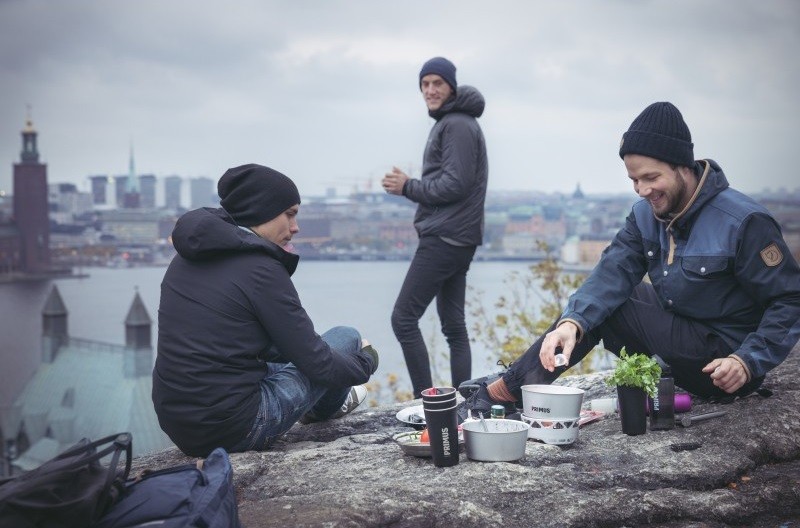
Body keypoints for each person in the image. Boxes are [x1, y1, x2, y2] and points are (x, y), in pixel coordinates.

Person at [458, 102, 800, 420]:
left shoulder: (743, 222)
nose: (642, 190)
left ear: (684, 167)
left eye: (651, 178)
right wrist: (570, 324)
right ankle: (514, 381)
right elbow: (612, 273)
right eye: (634, 180)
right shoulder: (645, 215)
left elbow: (789, 298)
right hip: (678, 346)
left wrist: (746, 361)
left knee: (617, 307)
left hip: (724, 365)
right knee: (602, 301)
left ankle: (505, 392)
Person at [153, 164, 379, 457]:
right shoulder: (261, 268)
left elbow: (251, 343)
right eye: (290, 214)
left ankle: (325, 397)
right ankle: (327, 407)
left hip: (180, 424)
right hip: (236, 429)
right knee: (346, 338)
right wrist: (364, 363)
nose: (295, 227)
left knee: (313, 355)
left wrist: (312, 354)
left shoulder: (185, 258)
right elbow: (317, 362)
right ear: (262, 210)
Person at [382, 57, 489, 397]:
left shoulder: (456, 124)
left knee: (403, 318)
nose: (429, 90)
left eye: (437, 83)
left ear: (451, 87)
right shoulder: (456, 122)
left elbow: (455, 184)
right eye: (424, 84)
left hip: (445, 236)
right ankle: (465, 401)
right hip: (460, 237)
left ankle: (426, 404)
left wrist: (408, 186)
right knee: (454, 326)